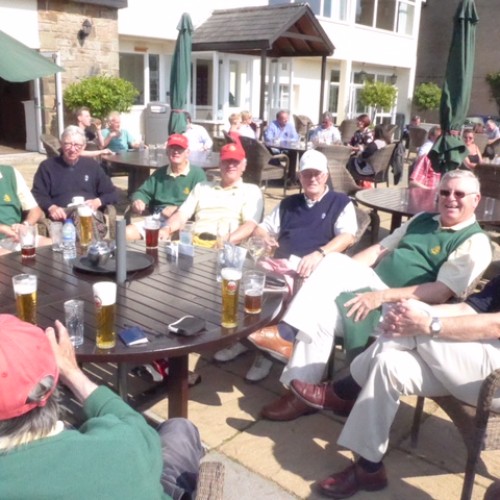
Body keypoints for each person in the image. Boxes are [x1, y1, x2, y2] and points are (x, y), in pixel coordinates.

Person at [250, 170, 492, 421]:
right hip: (375, 287)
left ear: (475, 199)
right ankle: (298, 385)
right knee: (331, 271)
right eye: (445, 192)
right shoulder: (423, 219)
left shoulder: (474, 242)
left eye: (459, 194)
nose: (451, 198)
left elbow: (440, 292)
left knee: (321, 310)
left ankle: (289, 343)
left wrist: (380, 297)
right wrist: (341, 277)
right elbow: (378, 250)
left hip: (405, 308)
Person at [289, 275, 500, 498]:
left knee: (418, 322)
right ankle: (368, 469)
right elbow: (467, 309)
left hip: (494, 382)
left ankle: (344, 391)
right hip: (472, 363)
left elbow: (495, 325)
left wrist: (427, 323)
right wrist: (407, 313)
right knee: (387, 365)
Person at [0, 314, 203, 499]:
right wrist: (71, 372)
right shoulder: (122, 445)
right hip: (144, 480)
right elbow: (134, 425)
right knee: (181, 428)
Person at [215, 149, 359, 381]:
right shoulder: (289, 203)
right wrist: (264, 237)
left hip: (314, 267)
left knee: (279, 292)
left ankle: (267, 354)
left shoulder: (339, 202)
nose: (312, 178)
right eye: (307, 174)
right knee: (245, 282)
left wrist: (320, 253)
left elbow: (348, 236)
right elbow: (262, 228)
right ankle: (244, 339)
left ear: (325, 175)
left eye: (317, 174)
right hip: (279, 262)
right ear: (299, 177)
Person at [160, 143, 263, 246]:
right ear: (220, 164)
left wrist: (226, 241)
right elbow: (182, 214)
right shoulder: (202, 187)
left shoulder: (251, 191)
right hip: (194, 242)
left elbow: (250, 225)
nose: (230, 165)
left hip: (225, 244)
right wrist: (167, 229)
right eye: (226, 161)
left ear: (244, 166)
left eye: (235, 161)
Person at [126, 134, 206, 241]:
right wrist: (138, 201)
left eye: (180, 149)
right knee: (125, 233)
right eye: (172, 148)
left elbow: (203, 203)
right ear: (167, 152)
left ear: (187, 152)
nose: (176, 151)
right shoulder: (160, 173)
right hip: (157, 218)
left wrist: (177, 208)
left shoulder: (197, 174)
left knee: (161, 239)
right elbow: (142, 192)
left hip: (183, 221)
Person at [32, 126, 118, 222]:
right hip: (62, 217)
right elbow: (38, 194)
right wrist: (51, 207)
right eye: (68, 144)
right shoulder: (47, 166)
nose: (72, 149)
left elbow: (112, 193)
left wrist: (97, 202)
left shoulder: (92, 166)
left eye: (77, 145)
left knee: (85, 218)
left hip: (89, 216)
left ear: (84, 147)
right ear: (61, 144)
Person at [0, 165, 49, 254]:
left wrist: (25, 225)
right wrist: (2, 228)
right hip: (4, 237)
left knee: (53, 246)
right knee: (8, 257)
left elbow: (35, 209)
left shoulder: (10, 173)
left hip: (14, 237)